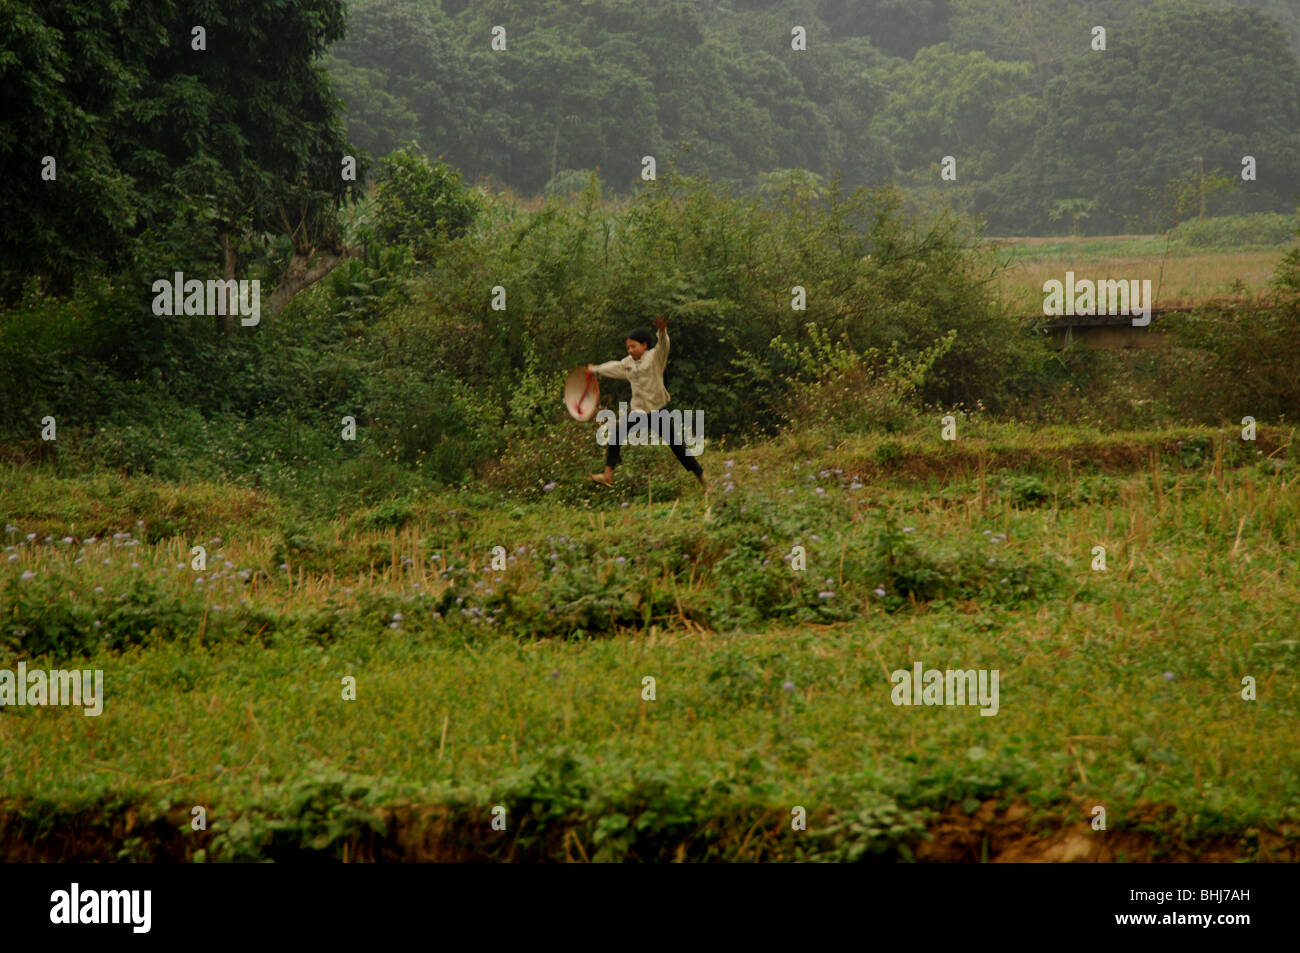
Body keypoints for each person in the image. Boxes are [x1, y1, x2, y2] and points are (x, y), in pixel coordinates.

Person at [587, 314, 706, 490]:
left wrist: (662, 330)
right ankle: (607, 475)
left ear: (644, 345)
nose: (630, 350)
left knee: (678, 448)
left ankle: (704, 480)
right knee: (617, 431)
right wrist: (595, 370)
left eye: (633, 346)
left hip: (657, 411)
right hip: (638, 412)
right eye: (628, 347)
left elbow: (664, 344)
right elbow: (612, 367)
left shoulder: (655, 358)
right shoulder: (627, 364)